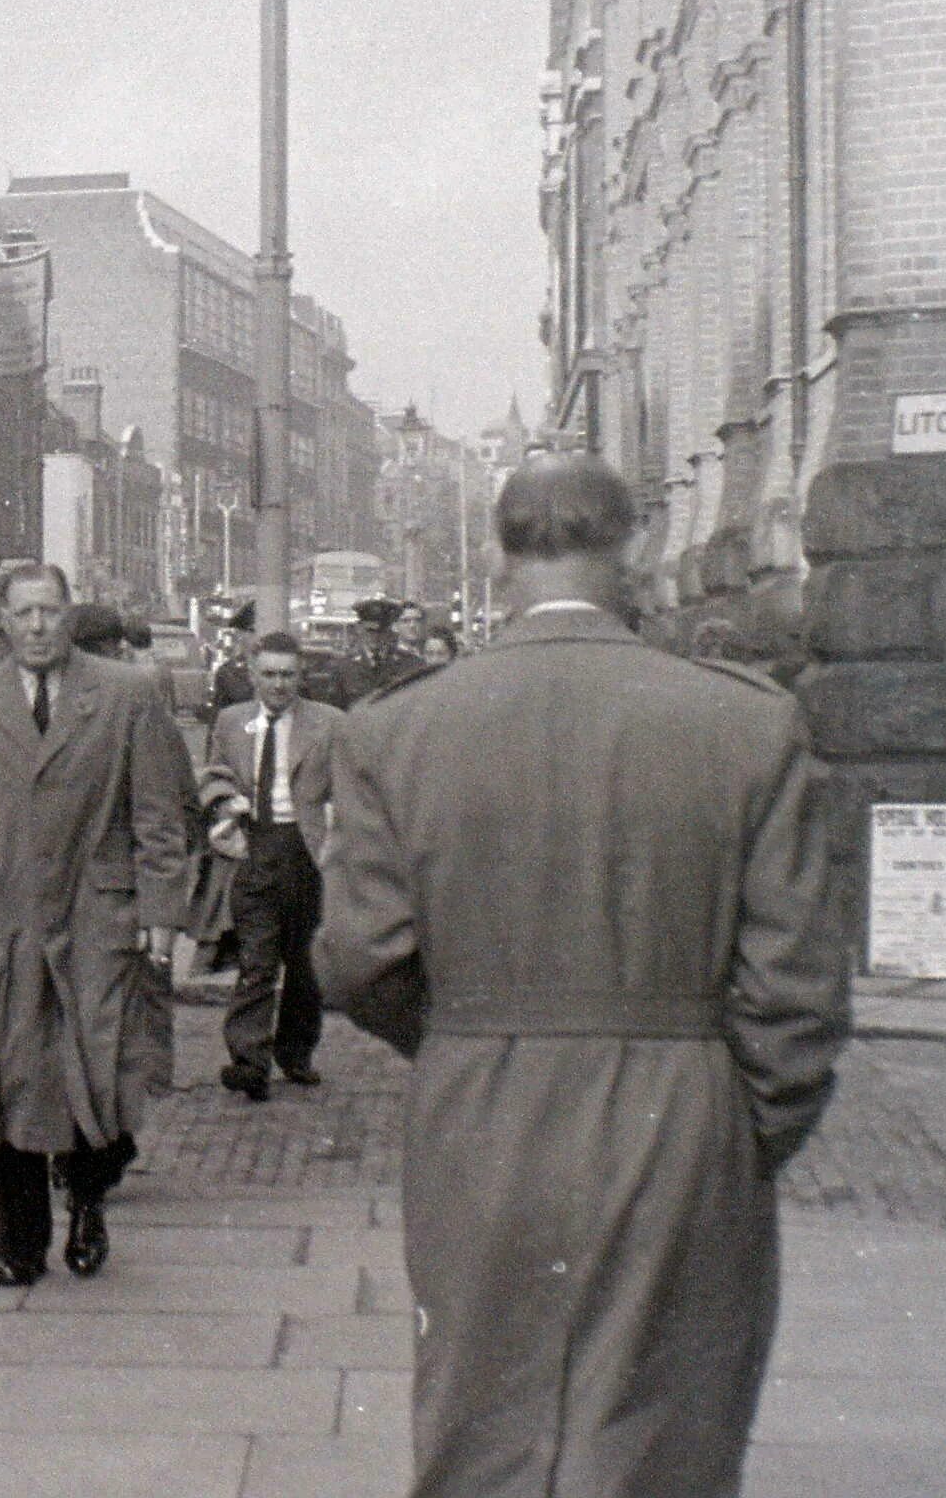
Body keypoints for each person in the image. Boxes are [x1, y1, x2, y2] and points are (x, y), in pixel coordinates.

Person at [314, 454, 849, 1497]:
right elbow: (797, 993)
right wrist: (737, 1130)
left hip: (480, 1105)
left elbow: (359, 956)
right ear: (637, 543)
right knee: (664, 1431)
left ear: (498, 552)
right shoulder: (744, 721)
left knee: (482, 1418)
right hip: (679, 1108)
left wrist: (469, 1038)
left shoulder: (398, 726)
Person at [0, 563, 190, 1286]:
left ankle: (90, 1201)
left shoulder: (127, 696)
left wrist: (162, 917)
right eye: (22, 613)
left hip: (99, 917)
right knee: (7, 1082)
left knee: (96, 1074)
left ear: (70, 616)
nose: (37, 626)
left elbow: (160, 817)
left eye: (49, 611)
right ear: (1, 623)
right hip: (1, 918)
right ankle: (19, 1242)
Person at [195, 632, 340, 1099]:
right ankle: (248, 1061)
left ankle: (295, 1053)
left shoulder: (329, 724)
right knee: (256, 960)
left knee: (305, 965)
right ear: (253, 675)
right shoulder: (231, 722)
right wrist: (223, 804)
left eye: (288, 675)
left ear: (301, 676)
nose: (279, 685)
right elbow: (213, 775)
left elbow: (352, 786)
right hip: (255, 848)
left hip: (308, 852)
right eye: (270, 675)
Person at [335, 596, 421, 706]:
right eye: (370, 631)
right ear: (359, 629)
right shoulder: (344, 667)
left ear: (391, 632)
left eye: (381, 632)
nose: (375, 637)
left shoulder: (411, 665)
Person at [209, 603, 256, 714]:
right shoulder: (228, 673)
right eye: (252, 631)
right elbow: (219, 723)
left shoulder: (294, 670)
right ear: (241, 635)